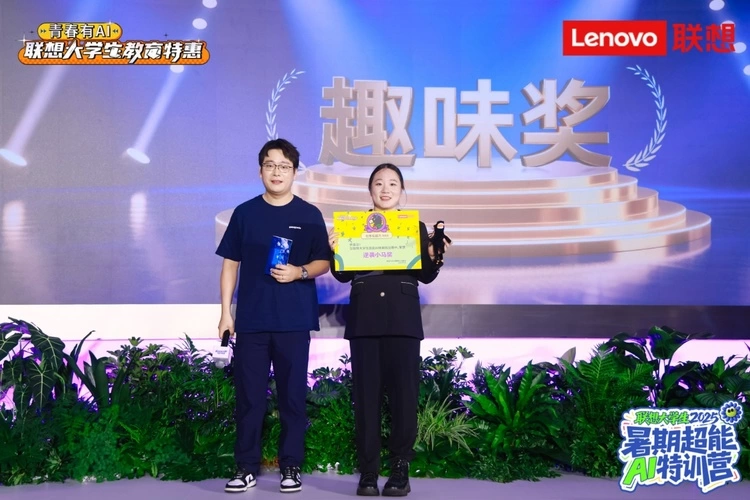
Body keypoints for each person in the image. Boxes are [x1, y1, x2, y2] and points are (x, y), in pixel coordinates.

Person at [328, 163, 449, 497]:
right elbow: (342, 275)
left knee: (404, 397)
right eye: (379, 183)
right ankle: (368, 472)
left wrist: (434, 256)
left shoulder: (415, 227)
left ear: (401, 190)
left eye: (393, 183)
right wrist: (335, 250)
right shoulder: (352, 226)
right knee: (366, 398)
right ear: (370, 190)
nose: (385, 189)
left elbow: (425, 275)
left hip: (402, 319)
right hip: (365, 319)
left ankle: (400, 469)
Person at [216, 138, 330, 494]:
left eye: (284, 166)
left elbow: (324, 261)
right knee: (249, 398)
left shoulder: (309, 214)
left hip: (294, 321)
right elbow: (230, 265)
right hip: (251, 321)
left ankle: (291, 466)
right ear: (260, 170)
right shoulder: (245, 213)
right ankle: (246, 467)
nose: (276, 172)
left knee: (292, 398)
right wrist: (225, 313)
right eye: (270, 165)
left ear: (295, 172)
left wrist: (299, 272)